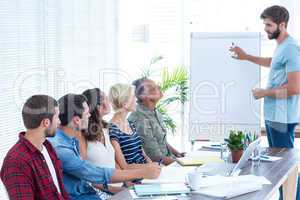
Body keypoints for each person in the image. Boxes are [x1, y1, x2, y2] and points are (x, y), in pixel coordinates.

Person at [229, 5, 300, 200]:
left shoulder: (292, 48)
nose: (265, 29)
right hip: (274, 115)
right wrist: (247, 57)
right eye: (265, 24)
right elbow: (273, 62)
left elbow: (295, 87)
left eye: (269, 25)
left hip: (281, 117)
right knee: (281, 163)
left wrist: (264, 92)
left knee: (285, 165)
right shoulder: (282, 46)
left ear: (282, 24)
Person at [48, 93, 161, 200]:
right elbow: (93, 173)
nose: (90, 115)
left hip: (92, 193)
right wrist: (141, 172)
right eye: (87, 113)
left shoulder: (69, 138)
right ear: (77, 120)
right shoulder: (60, 148)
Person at [0, 95, 69, 199]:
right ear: (46, 122)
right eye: (57, 117)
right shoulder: (16, 162)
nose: (59, 122)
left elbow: (60, 192)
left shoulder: (47, 146)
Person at [128, 78, 185, 165]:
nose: (159, 88)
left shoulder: (155, 112)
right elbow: (154, 156)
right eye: (153, 88)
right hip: (157, 167)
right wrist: (182, 163)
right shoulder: (140, 118)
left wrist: (178, 154)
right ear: (143, 97)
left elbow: (162, 141)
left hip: (169, 162)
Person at [81, 88, 124, 194]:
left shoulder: (105, 129)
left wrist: (127, 182)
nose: (108, 101)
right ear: (95, 105)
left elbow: (112, 161)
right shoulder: (82, 134)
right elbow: (84, 174)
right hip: (100, 191)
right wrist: (116, 190)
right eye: (103, 98)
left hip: (118, 186)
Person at [108, 83, 153, 169]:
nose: (136, 100)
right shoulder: (113, 130)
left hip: (147, 173)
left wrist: (152, 165)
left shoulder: (130, 123)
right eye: (133, 97)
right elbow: (124, 166)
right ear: (124, 104)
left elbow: (142, 153)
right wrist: (148, 168)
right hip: (136, 176)